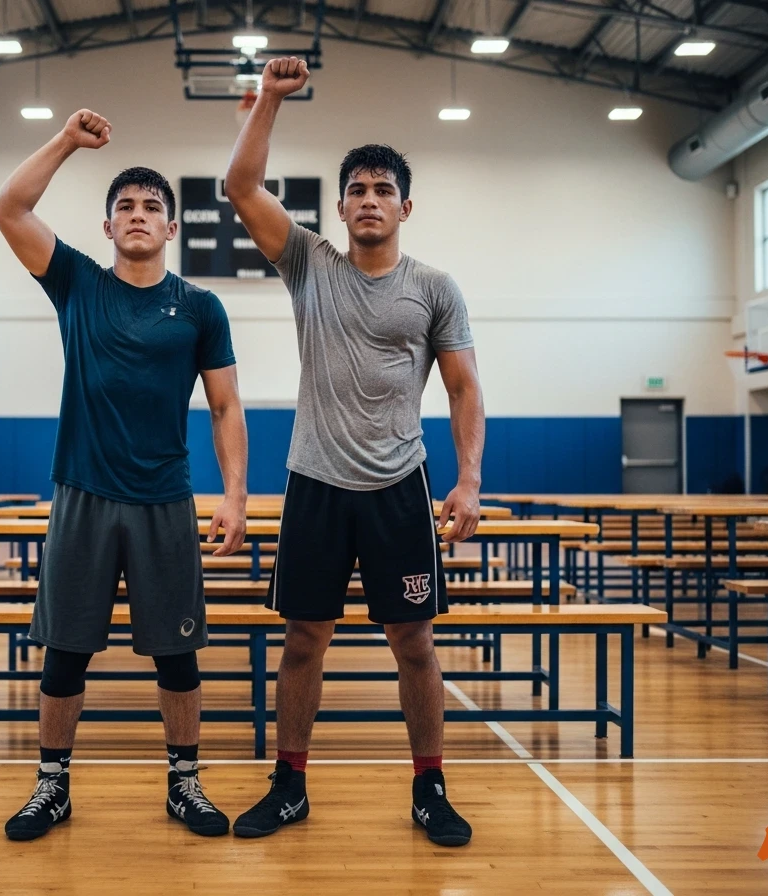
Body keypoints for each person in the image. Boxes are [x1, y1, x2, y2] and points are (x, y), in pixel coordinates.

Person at [223, 58, 485, 847]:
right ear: (338, 207)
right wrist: (268, 99)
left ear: (406, 205)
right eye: (357, 191)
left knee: (415, 641)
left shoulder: (435, 288)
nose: (369, 201)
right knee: (305, 638)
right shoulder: (309, 264)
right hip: (316, 486)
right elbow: (240, 186)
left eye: (383, 191)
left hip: (400, 488)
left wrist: (469, 479)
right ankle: (290, 783)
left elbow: (465, 389)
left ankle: (429, 786)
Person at [0, 109, 249, 841]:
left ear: (172, 228)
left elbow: (226, 406)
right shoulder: (75, 282)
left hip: (165, 499)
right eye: (125, 208)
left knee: (178, 652)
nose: (139, 216)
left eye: (152, 208)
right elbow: (9, 206)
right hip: (83, 493)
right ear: (107, 228)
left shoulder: (200, 307)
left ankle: (184, 783)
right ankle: (52, 786)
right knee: (66, 651)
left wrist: (234, 495)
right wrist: (68, 140)